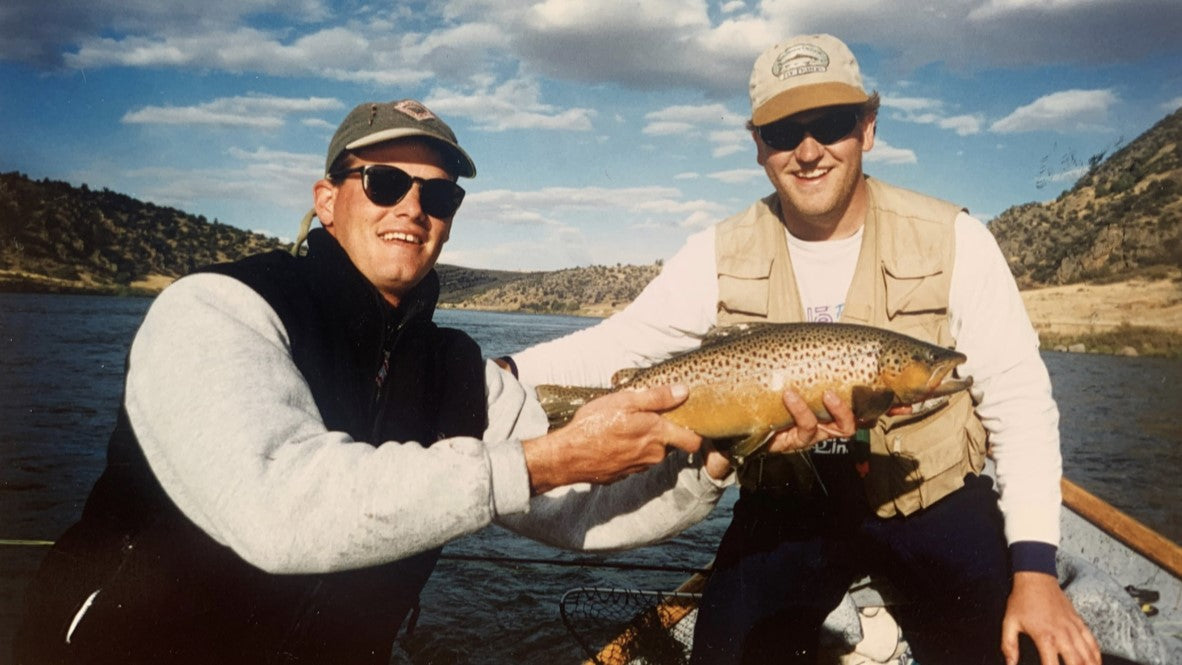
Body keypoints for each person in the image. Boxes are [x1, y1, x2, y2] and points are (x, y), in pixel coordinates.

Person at [13, 99, 731, 665]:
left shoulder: (461, 372)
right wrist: (541, 462)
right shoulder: (219, 309)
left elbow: (580, 507)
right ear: (328, 200)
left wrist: (709, 464)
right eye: (385, 183)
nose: (412, 209)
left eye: (438, 196)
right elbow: (279, 508)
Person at [506, 35, 1102, 665]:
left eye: (832, 124)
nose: (809, 150)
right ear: (758, 144)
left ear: (867, 129)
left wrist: (1036, 573)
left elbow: (1020, 403)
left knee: (1018, 651)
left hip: (935, 501)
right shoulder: (716, 251)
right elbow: (621, 345)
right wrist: (504, 373)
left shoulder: (958, 239)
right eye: (785, 130)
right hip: (787, 509)